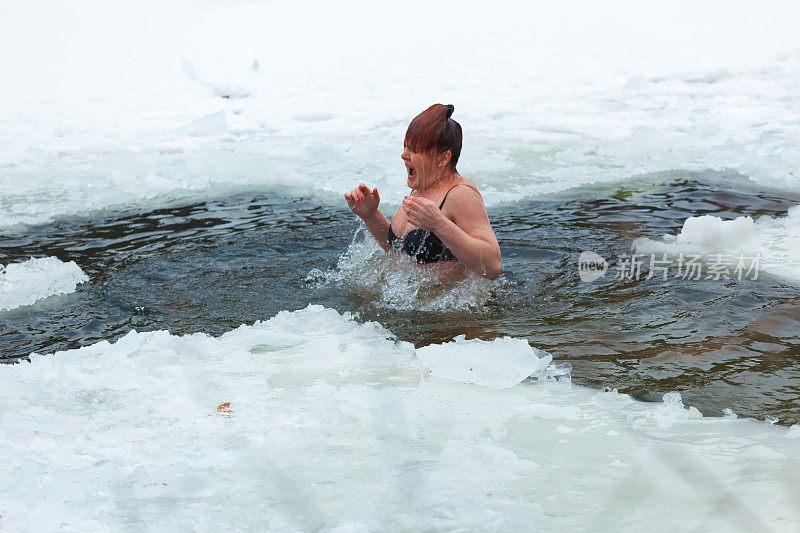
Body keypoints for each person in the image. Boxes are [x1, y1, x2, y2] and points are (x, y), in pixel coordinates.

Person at [344, 104, 502, 280]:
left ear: (443, 158)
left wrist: (439, 225)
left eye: (415, 150)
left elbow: (493, 266)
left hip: (454, 307)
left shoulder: (460, 193)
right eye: (405, 146)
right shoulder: (421, 188)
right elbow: (398, 252)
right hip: (411, 302)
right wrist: (370, 215)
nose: (403, 155)